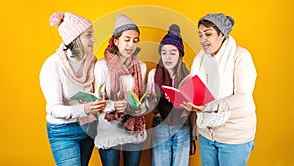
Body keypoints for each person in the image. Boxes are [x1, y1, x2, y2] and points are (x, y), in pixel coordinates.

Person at [181, 13, 257, 166]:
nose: (203, 40)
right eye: (200, 35)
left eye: (208, 34)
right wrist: (181, 93)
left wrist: (208, 107)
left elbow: (242, 97)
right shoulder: (201, 59)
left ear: (222, 34)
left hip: (234, 136)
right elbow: (193, 82)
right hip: (207, 134)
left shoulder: (240, 56)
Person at [40, 12, 107, 166]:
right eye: (88, 35)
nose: (94, 39)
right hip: (63, 131)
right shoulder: (52, 65)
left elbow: (95, 92)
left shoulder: (91, 61)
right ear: (74, 39)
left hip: (88, 126)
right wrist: (85, 108)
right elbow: (54, 109)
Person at [93, 14, 147, 166]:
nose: (131, 45)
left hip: (134, 128)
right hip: (109, 128)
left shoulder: (140, 67)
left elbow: (140, 99)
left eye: (135, 41)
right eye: (127, 39)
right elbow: (95, 100)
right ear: (116, 41)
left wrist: (138, 107)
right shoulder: (102, 66)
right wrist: (113, 106)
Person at [146, 24, 197, 166]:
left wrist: (193, 137)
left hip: (183, 126)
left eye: (173, 53)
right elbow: (153, 110)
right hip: (160, 124)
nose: (168, 57)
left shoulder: (188, 76)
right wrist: (154, 101)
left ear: (180, 54)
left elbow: (193, 111)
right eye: (164, 53)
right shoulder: (153, 75)